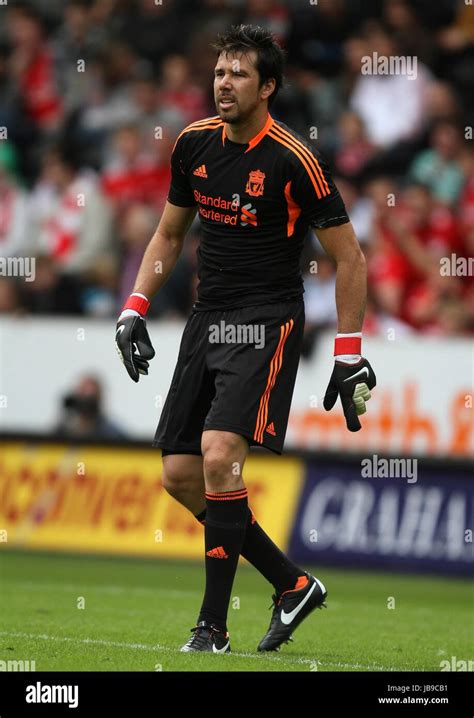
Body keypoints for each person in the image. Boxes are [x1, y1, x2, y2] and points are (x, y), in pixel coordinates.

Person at [115, 25, 376, 654]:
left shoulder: (294, 159)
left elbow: (350, 258)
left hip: (267, 318)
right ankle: (292, 584)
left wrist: (348, 352)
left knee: (218, 452)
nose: (223, 83)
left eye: (237, 74)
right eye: (219, 72)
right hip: (209, 316)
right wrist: (134, 308)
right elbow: (170, 235)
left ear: (268, 88)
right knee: (180, 476)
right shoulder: (193, 144)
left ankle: (211, 628)